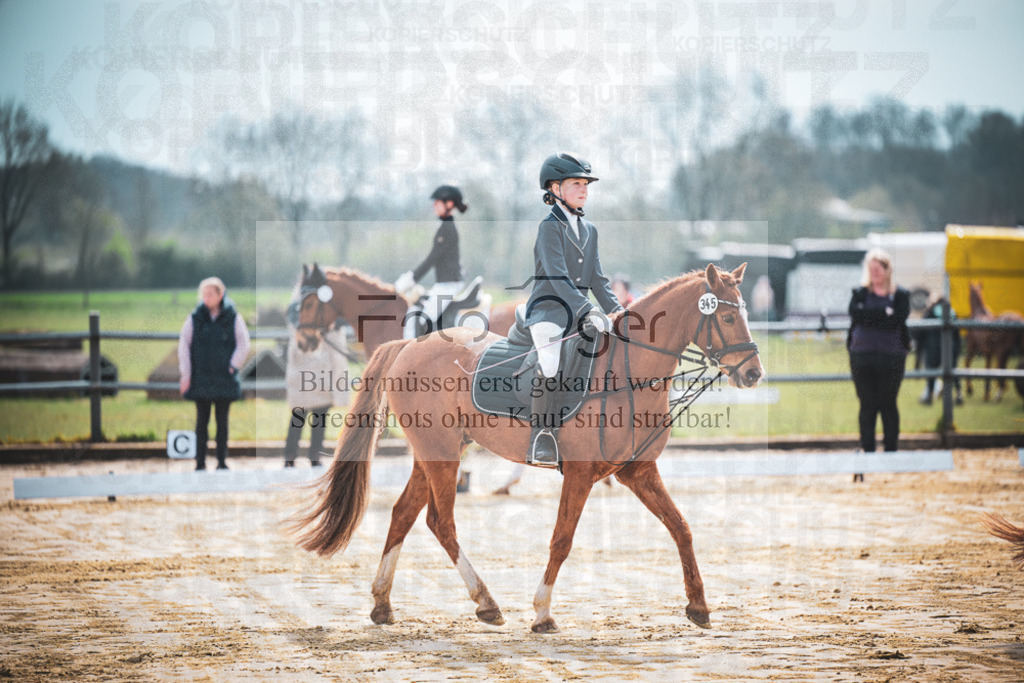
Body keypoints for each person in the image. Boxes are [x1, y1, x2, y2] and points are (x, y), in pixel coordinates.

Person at [524, 152, 624, 466]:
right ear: (555, 188)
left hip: (580, 314)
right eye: (576, 184)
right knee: (550, 363)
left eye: (585, 185)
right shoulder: (548, 228)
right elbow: (558, 277)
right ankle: (542, 434)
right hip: (549, 311)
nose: (583, 190)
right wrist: (588, 310)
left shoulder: (589, 229)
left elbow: (598, 279)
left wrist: (619, 312)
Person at [847, 249, 910, 470]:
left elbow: (898, 319)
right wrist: (883, 315)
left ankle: (891, 452)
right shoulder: (859, 293)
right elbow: (856, 315)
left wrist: (871, 317)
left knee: (888, 402)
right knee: (867, 404)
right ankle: (868, 452)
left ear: (887, 270)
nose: (874, 273)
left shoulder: (900, 294)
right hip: (862, 356)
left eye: (878, 269)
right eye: (871, 269)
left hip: (892, 357)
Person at [178, 277, 250, 471]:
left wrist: (233, 365)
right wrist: (186, 374)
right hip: (201, 377)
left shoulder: (233, 317)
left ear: (220, 294)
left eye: (210, 294)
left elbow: (244, 343)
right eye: (204, 294)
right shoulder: (195, 318)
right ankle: (200, 462)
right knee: (201, 421)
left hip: (224, 378)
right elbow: (184, 345)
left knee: (222, 422)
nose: (207, 298)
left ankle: (221, 461)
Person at [284, 275, 351, 468]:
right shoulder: (300, 306)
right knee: (301, 416)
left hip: (322, 370)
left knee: (318, 416)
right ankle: (292, 455)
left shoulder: (321, 303)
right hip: (306, 368)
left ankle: (312, 454)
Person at [395, 185, 467, 339]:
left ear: (449, 204)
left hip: (449, 283)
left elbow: (432, 258)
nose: (434, 205)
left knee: (424, 319)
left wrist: (411, 279)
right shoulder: (444, 226)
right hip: (445, 283)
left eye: (437, 202)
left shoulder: (447, 228)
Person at [915, 294, 963, 406]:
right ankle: (959, 394)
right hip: (950, 347)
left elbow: (921, 332)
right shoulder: (951, 312)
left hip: (933, 348)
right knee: (953, 371)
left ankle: (930, 395)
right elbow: (957, 334)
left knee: (931, 372)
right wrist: (957, 348)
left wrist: (920, 348)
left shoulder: (930, 313)